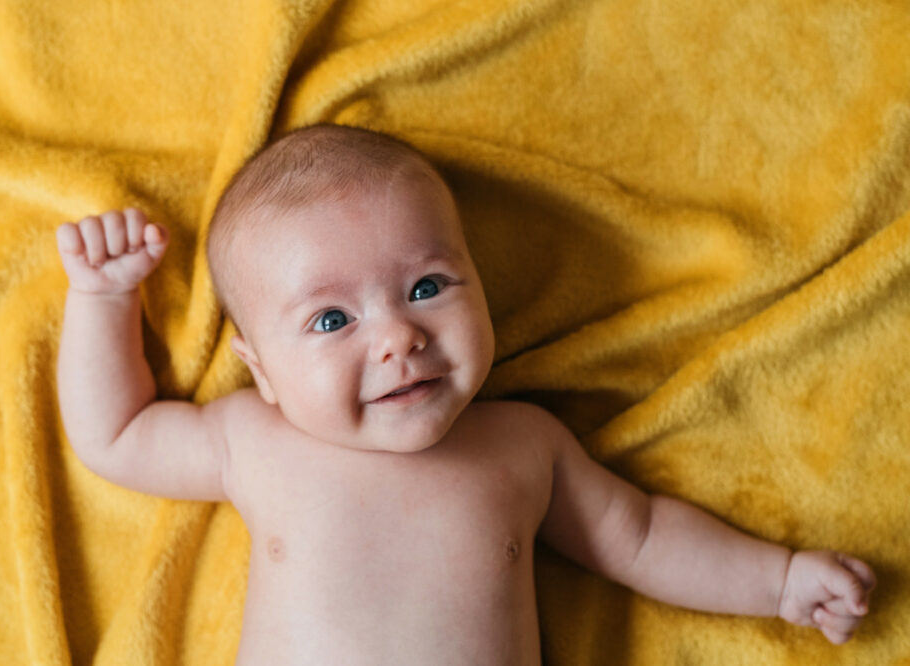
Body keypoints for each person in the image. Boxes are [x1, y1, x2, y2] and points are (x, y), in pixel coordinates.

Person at [56, 124, 876, 664]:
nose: (397, 337)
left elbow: (642, 536)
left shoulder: (523, 444)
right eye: (332, 318)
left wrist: (778, 582)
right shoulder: (254, 441)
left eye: (426, 288)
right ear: (261, 369)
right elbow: (117, 433)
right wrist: (103, 301)